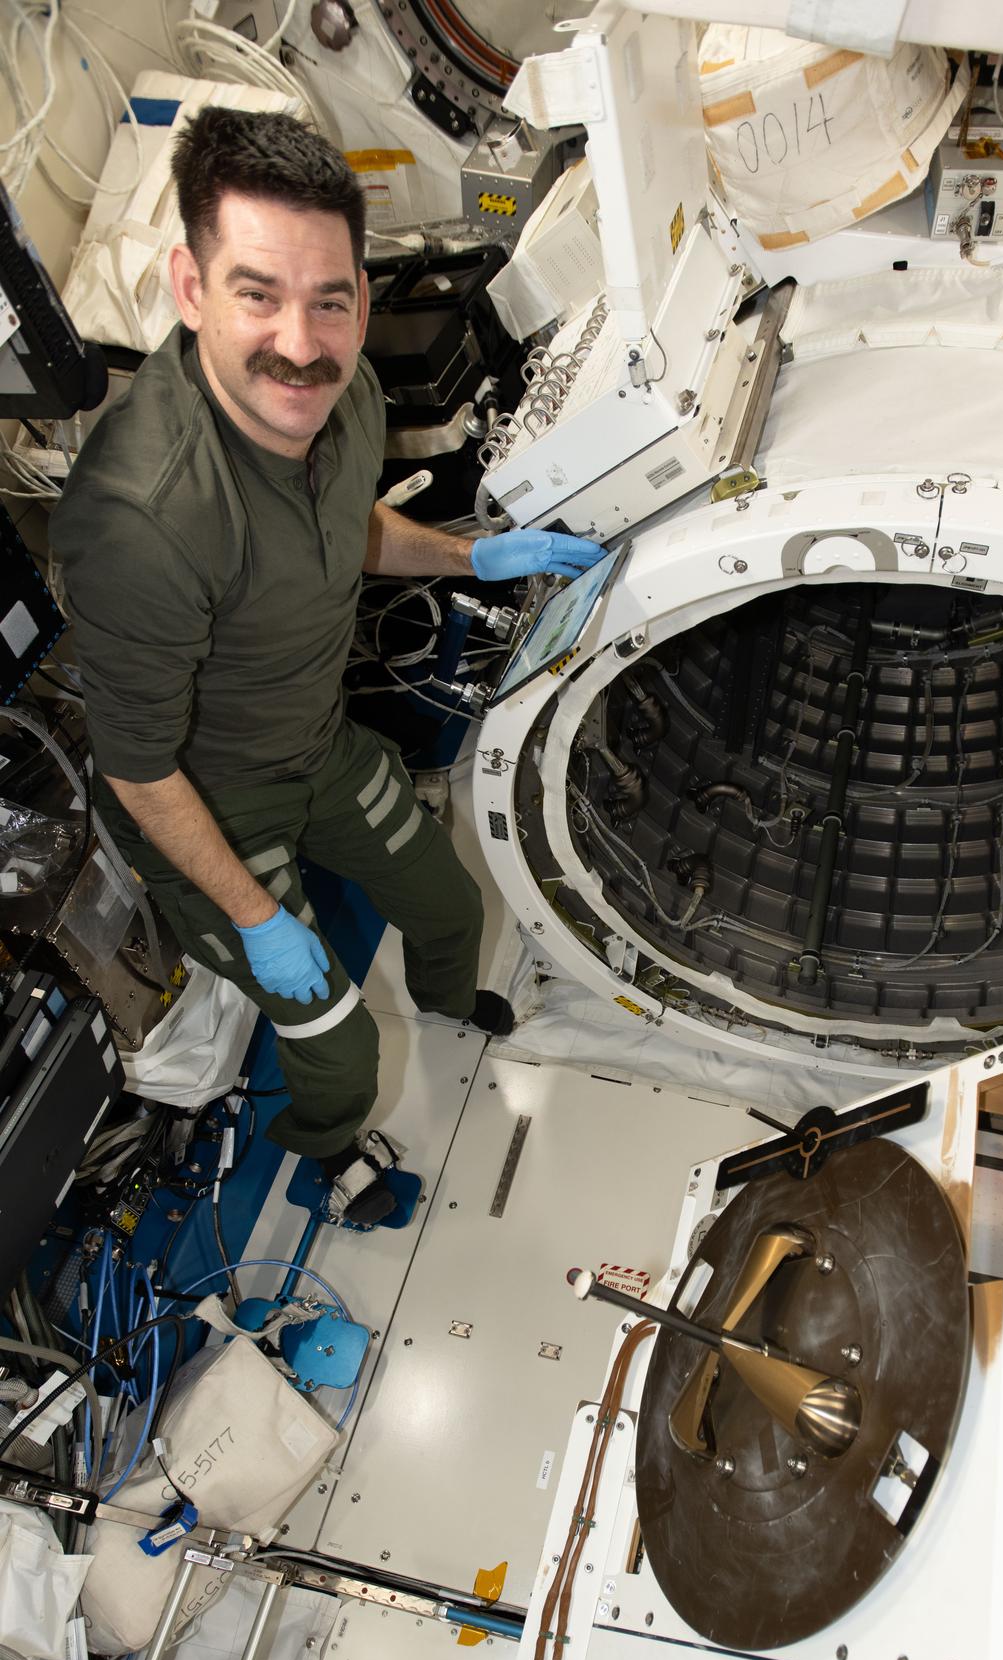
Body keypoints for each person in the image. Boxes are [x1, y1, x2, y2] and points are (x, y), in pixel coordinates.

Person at [52, 108, 604, 1224]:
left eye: (330, 298)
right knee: (339, 1044)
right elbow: (140, 773)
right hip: (207, 801)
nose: (300, 344)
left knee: (450, 909)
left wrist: (471, 555)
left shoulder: (338, 396)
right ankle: (320, 1147)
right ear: (192, 287)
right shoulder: (142, 521)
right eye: (257, 292)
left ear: (360, 288)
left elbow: (345, 526)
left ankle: (452, 1009)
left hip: (318, 743)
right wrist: (256, 914)